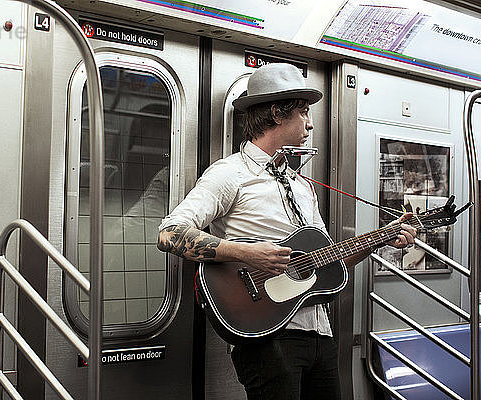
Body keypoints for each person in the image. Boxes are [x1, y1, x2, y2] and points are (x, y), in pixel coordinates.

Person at [156, 63, 417, 400]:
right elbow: (170, 233)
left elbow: (326, 262)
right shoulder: (229, 174)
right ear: (277, 113)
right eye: (304, 112)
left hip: (319, 333)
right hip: (267, 335)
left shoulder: (302, 185)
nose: (310, 123)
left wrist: (381, 238)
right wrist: (245, 253)